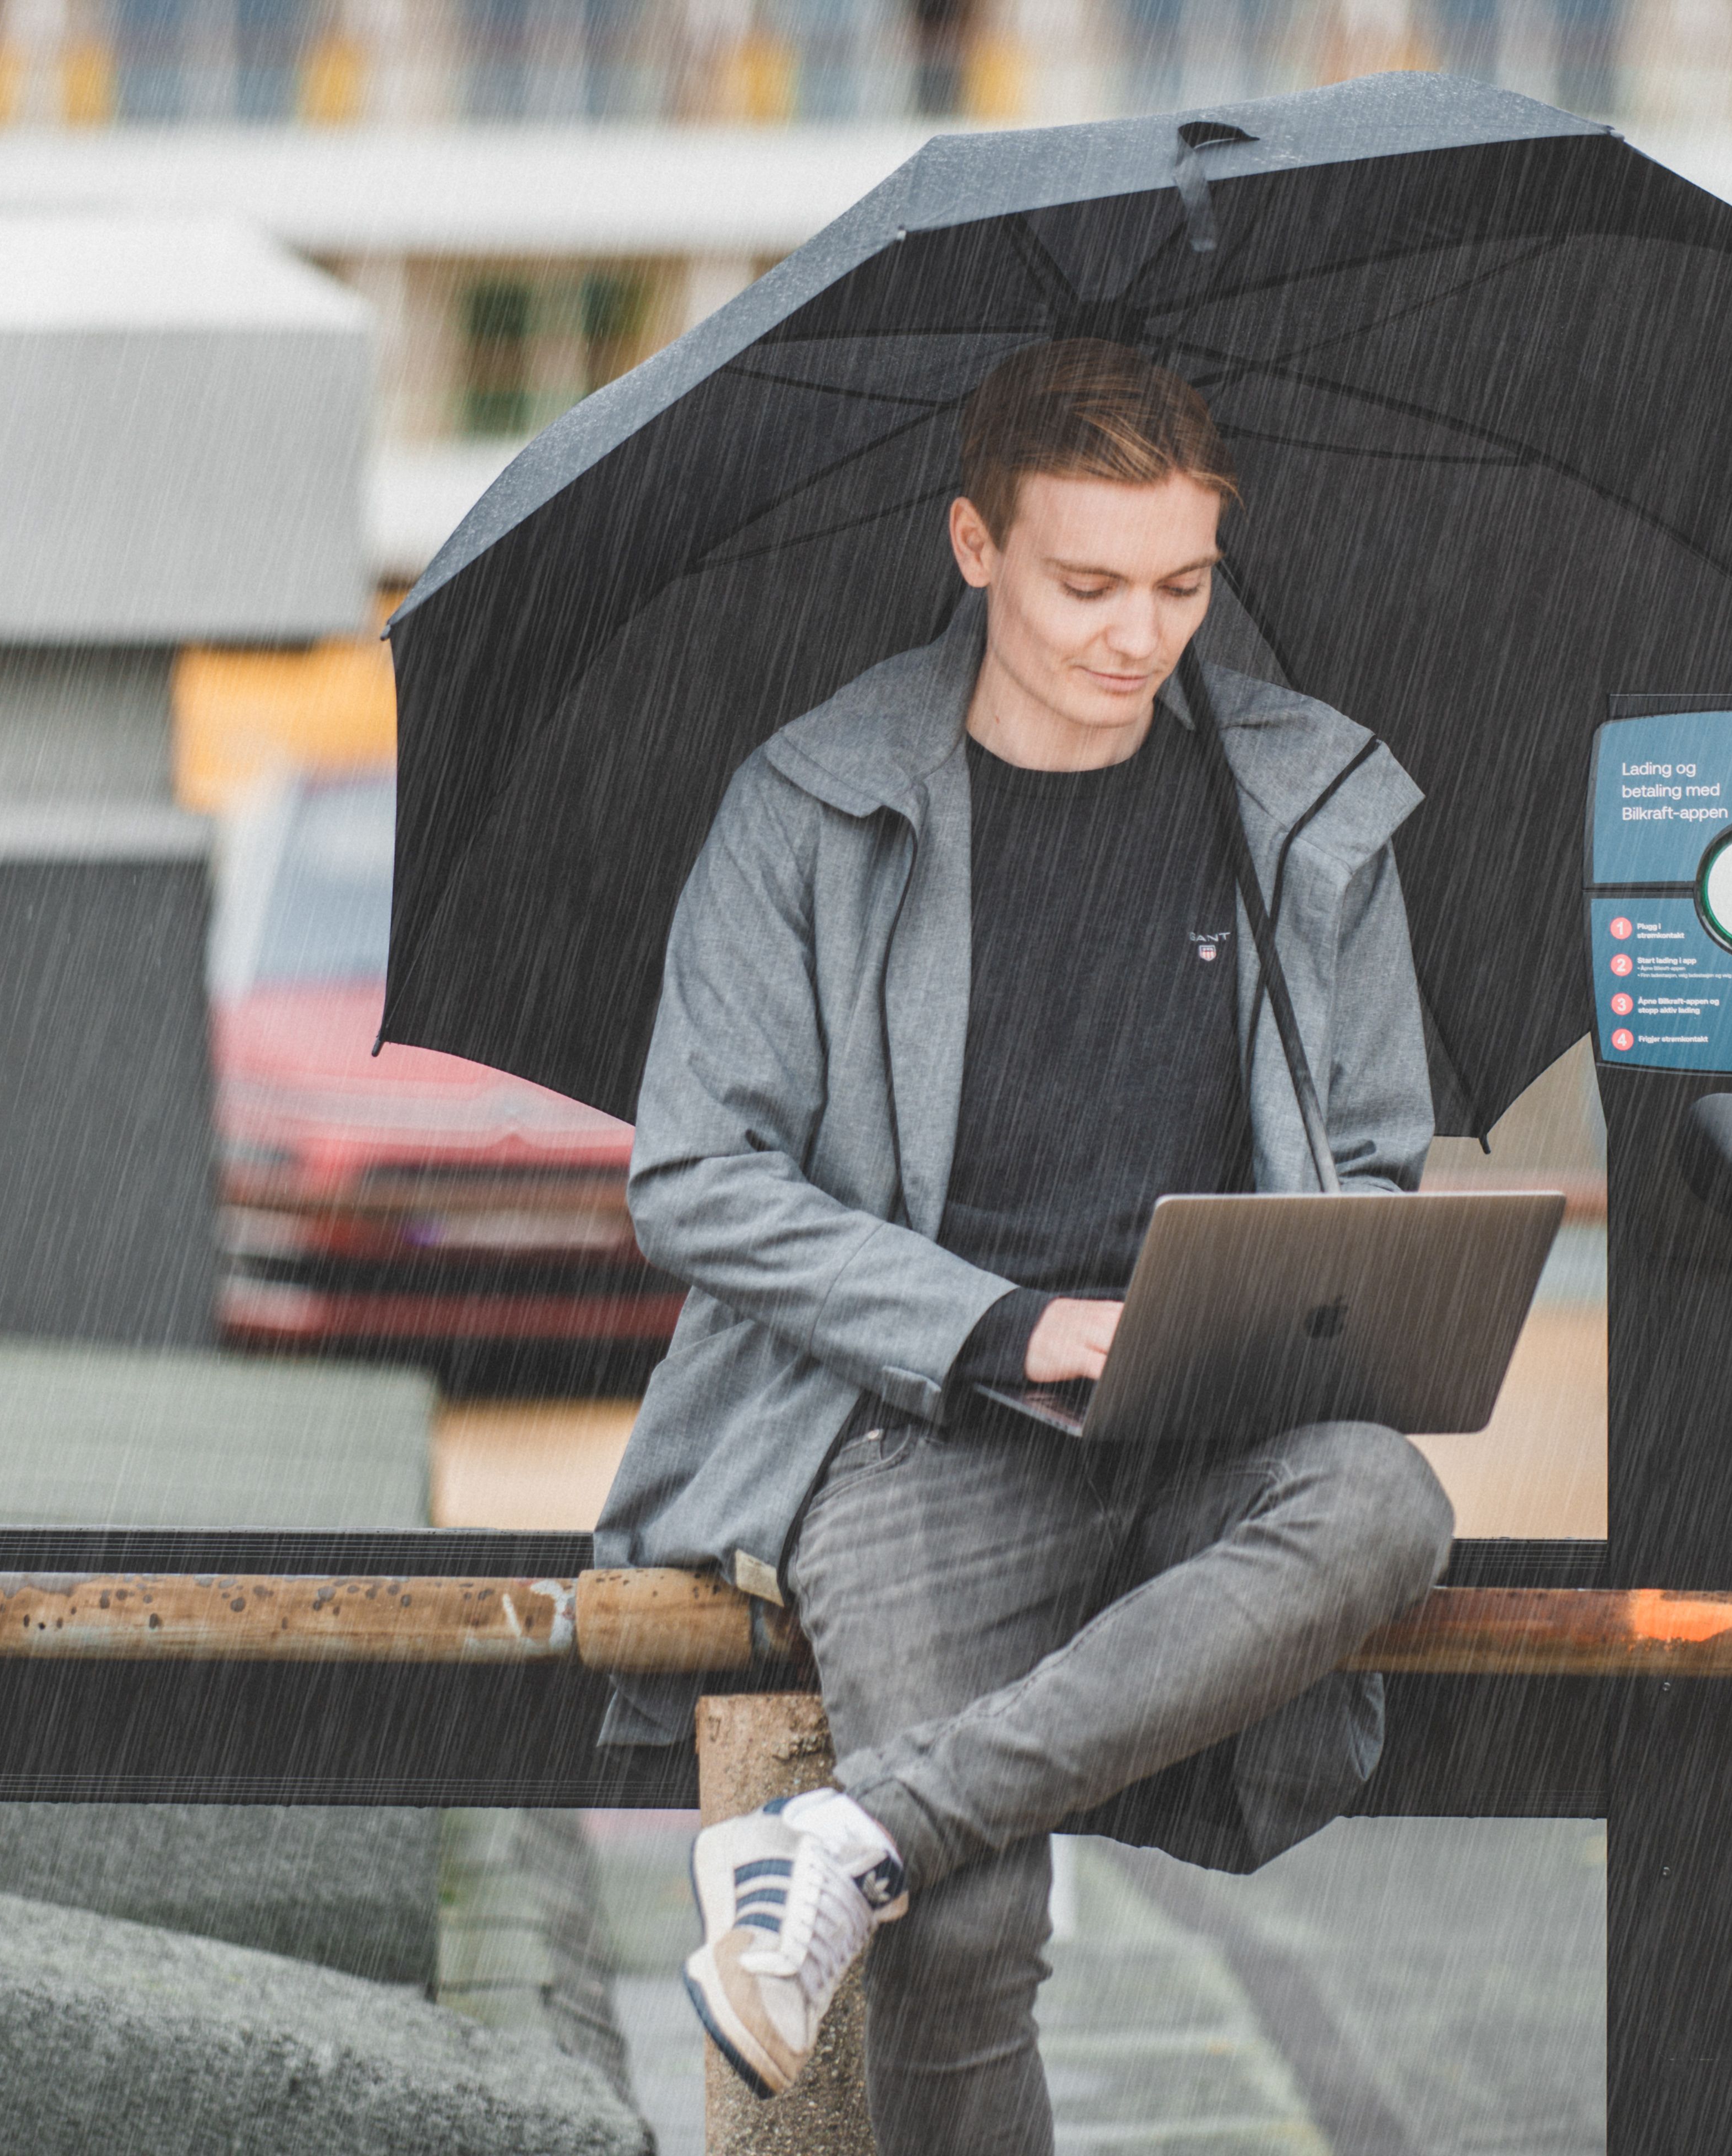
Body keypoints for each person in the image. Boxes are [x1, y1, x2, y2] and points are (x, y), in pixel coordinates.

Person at [594, 336, 1456, 2150]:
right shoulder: (811, 804)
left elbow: (1375, 1160)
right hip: (919, 1428)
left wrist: (1315, 1284)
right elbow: (694, 1176)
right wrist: (1007, 1326)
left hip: (1210, 1413)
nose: (1137, 636)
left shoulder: (1306, 808)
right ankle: (912, 1858)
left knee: (1383, 1499)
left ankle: (862, 1839)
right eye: (1084, 583)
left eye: (1180, 585)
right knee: (971, 1931)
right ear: (973, 544)